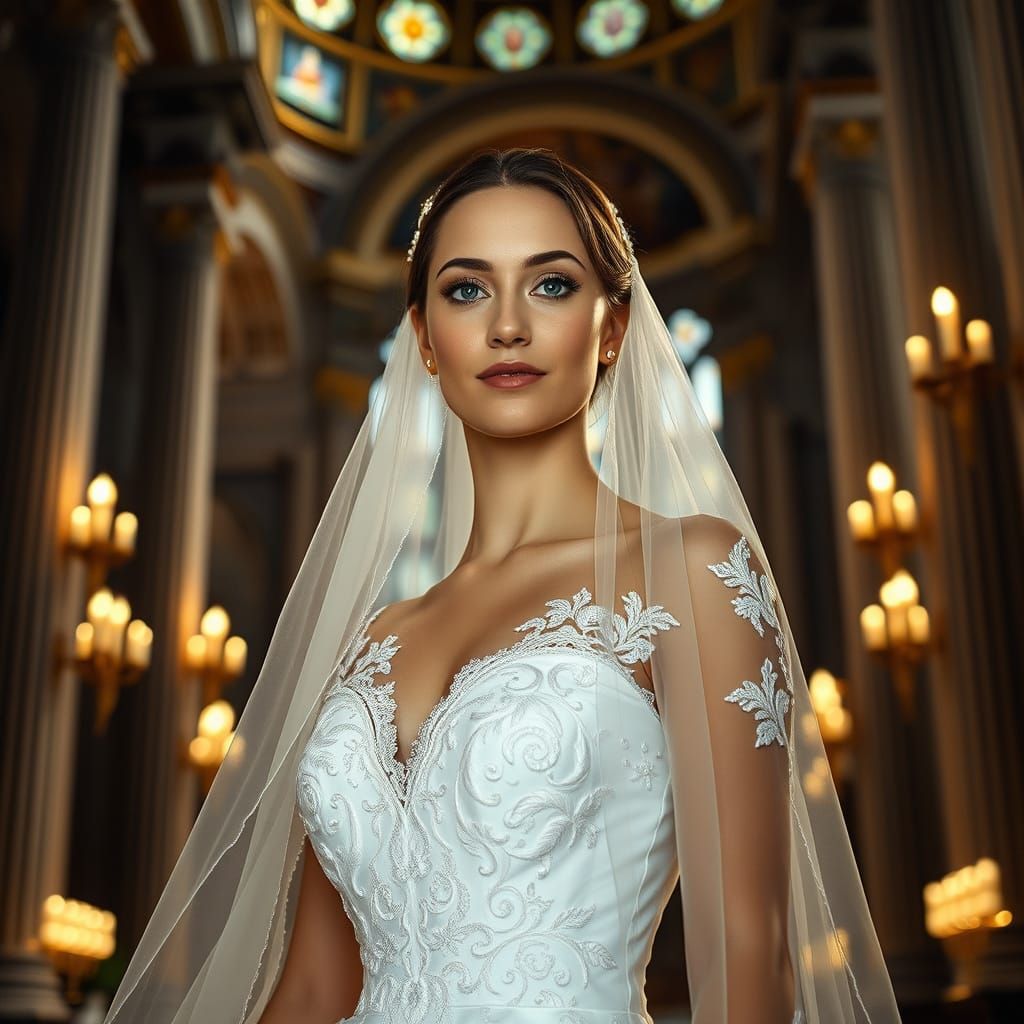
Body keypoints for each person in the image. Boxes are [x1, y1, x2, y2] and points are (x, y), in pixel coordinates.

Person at [103, 148, 902, 1023]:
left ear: (613, 328)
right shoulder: (372, 639)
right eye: (467, 289)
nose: (509, 326)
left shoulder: (691, 569)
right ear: (425, 340)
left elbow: (744, 956)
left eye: (552, 285)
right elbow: (314, 989)